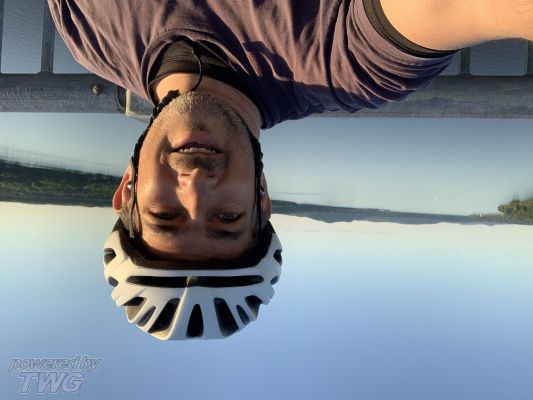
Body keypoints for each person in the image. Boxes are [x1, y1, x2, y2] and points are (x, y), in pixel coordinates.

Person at [48, 0, 533, 339]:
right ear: (261, 196)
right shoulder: (346, 63)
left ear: (128, 189)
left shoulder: (87, 34)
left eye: (166, 216)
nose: (196, 187)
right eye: (226, 218)